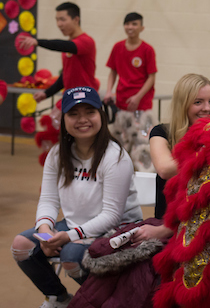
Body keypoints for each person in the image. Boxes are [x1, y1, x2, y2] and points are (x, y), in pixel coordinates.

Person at [10, 86, 143, 308]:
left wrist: (68, 236)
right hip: (74, 228)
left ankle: (104, 300)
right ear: (64, 119)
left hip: (116, 229)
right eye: (73, 114)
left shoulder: (115, 156)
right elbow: (49, 201)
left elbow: (111, 215)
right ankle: (58, 299)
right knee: (21, 245)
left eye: (89, 112)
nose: (82, 119)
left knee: (71, 255)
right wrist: (45, 232)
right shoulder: (57, 154)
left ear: (101, 114)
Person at [132, 73, 210, 242]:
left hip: (206, 229)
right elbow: (165, 169)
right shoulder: (162, 133)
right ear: (183, 104)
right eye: (198, 102)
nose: (207, 108)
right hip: (166, 229)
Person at [103, 12, 158, 171]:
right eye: (127, 24)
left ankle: (144, 178)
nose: (130, 27)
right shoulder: (118, 47)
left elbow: (151, 77)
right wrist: (108, 91)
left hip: (141, 108)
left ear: (141, 27)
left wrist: (137, 97)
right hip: (121, 106)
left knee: (142, 145)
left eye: (134, 24)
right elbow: (112, 72)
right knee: (120, 144)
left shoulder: (147, 50)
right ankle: (119, 176)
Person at [17, 2, 99, 103]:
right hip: (71, 97)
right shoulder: (69, 45)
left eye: (62, 19)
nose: (59, 24)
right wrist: (46, 93)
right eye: (57, 20)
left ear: (76, 20)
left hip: (85, 98)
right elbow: (65, 76)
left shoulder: (86, 41)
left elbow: (63, 45)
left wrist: (38, 42)